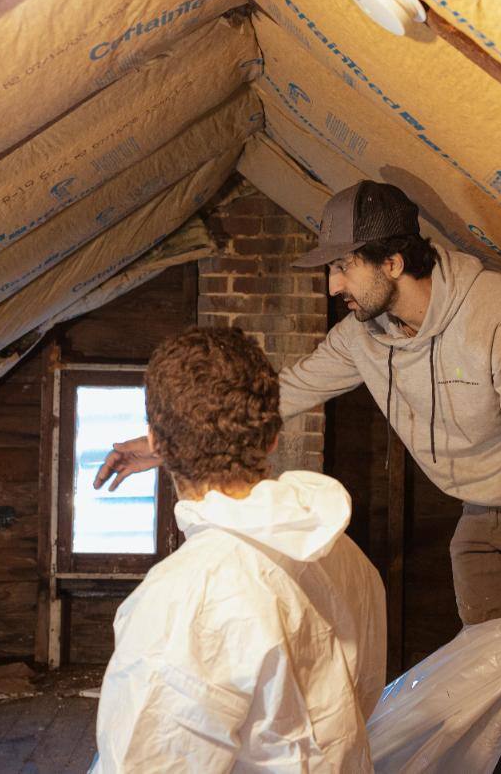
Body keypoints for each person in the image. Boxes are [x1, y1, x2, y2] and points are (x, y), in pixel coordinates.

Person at [97, 181, 501, 772]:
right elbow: (281, 391)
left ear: (393, 262)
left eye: (344, 266)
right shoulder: (362, 338)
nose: (333, 285)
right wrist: (165, 444)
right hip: (485, 500)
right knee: (486, 664)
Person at [90, 327, 386, 773]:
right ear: (272, 438)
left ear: (153, 441)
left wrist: (170, 443)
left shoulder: (183, 601)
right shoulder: (341, 552)